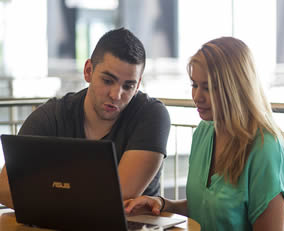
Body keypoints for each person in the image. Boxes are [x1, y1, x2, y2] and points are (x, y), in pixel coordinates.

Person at [124, 37, 284, 231]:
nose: (197, 97)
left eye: (209, 87)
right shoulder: (204, 131)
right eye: (194, 85)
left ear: (236, 88)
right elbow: (205, 206)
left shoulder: (267, 149)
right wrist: (162, 204)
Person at [0, 28, 170, 208]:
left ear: (137, 86)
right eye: (107, 80)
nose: (116, 95)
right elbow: (5, 188)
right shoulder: (51, 115)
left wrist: (48, 194)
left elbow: (117, 198)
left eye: (128, 86)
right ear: (88, 71)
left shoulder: (151, 115)